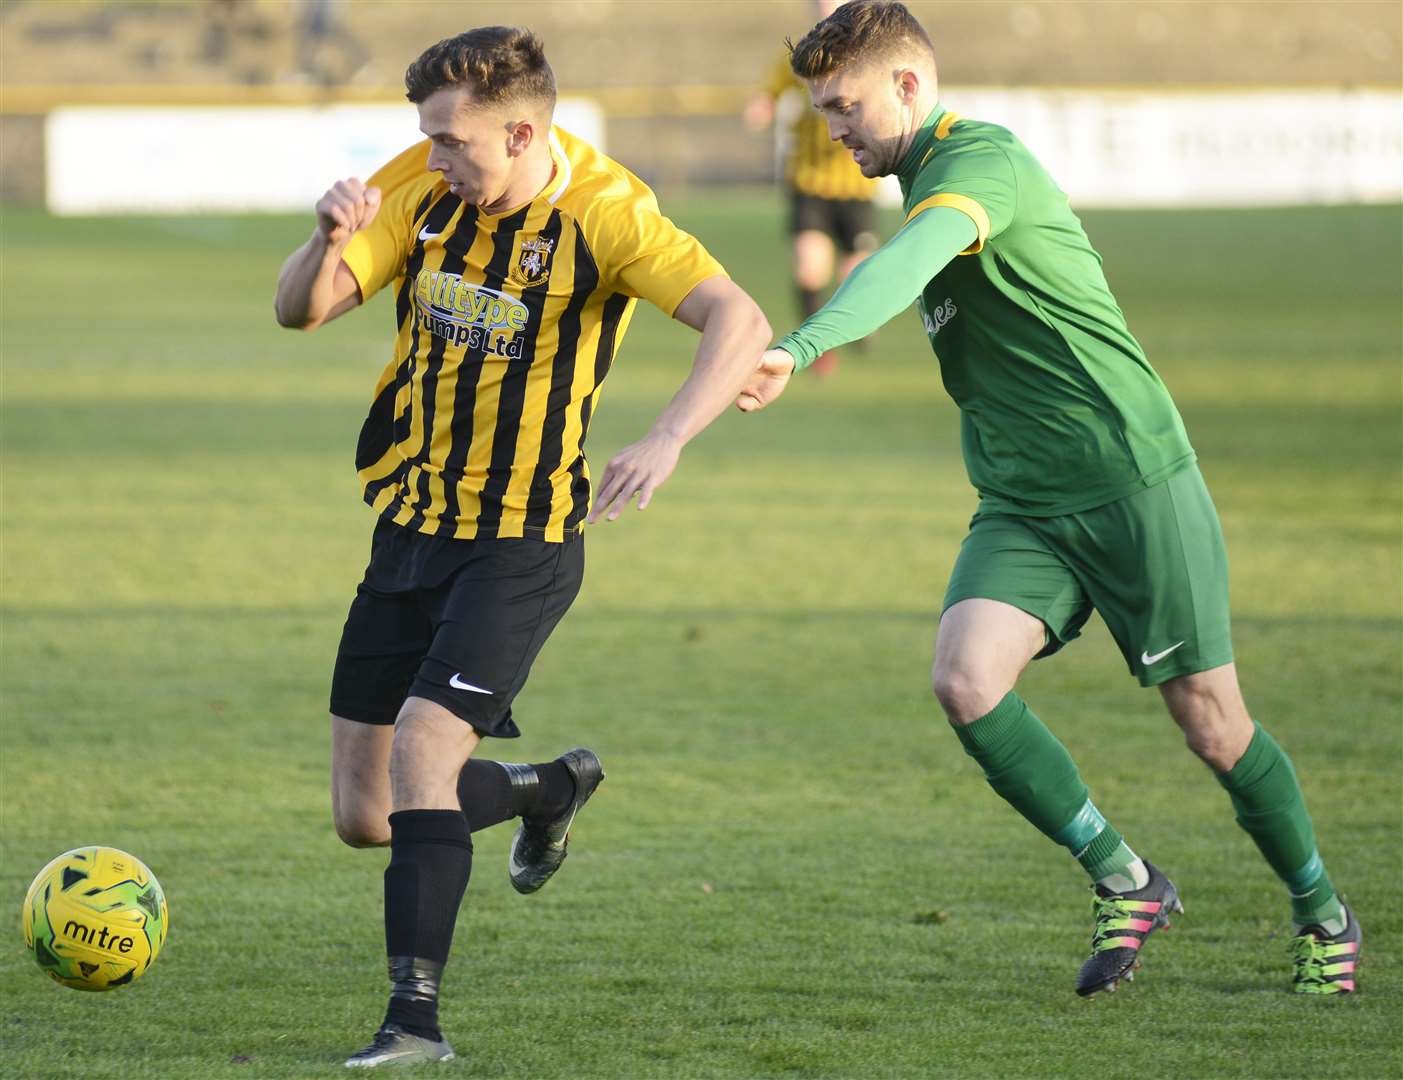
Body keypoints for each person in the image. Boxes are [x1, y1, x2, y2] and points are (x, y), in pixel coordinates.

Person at [738, 0, 1359, 998]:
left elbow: (901, 265)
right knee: (965, 680)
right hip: (1023, 503)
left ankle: (1321, 911)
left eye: (845, 106)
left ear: (906, 84)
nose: (834, 128)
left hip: (1128, 480)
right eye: (821, 111)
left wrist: (799, 342)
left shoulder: (978, 163)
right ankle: (1125, 878)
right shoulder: (913, 179)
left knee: (1210, 725)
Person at [275, 26, 770, 1068]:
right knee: (366, 813)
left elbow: (736, 314)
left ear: (521, 130)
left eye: (452, 143)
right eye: (428, 142)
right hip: (408, 526)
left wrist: (667, 435)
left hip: (522, 539)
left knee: (422, 745)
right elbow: (300, 312)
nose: (434, 159)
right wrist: (326, 240)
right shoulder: (419, 182)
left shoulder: (605, 212)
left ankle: (414, 1024)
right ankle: (546, 788)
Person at [744, 0, 880, 377]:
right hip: (809, 181)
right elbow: (771, 89)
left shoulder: (867, 56)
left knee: (858, 272)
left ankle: (855, 327)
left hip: (856, 183)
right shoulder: (802, 55)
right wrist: (762, 107)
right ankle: (817, 346)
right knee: (808, 265)